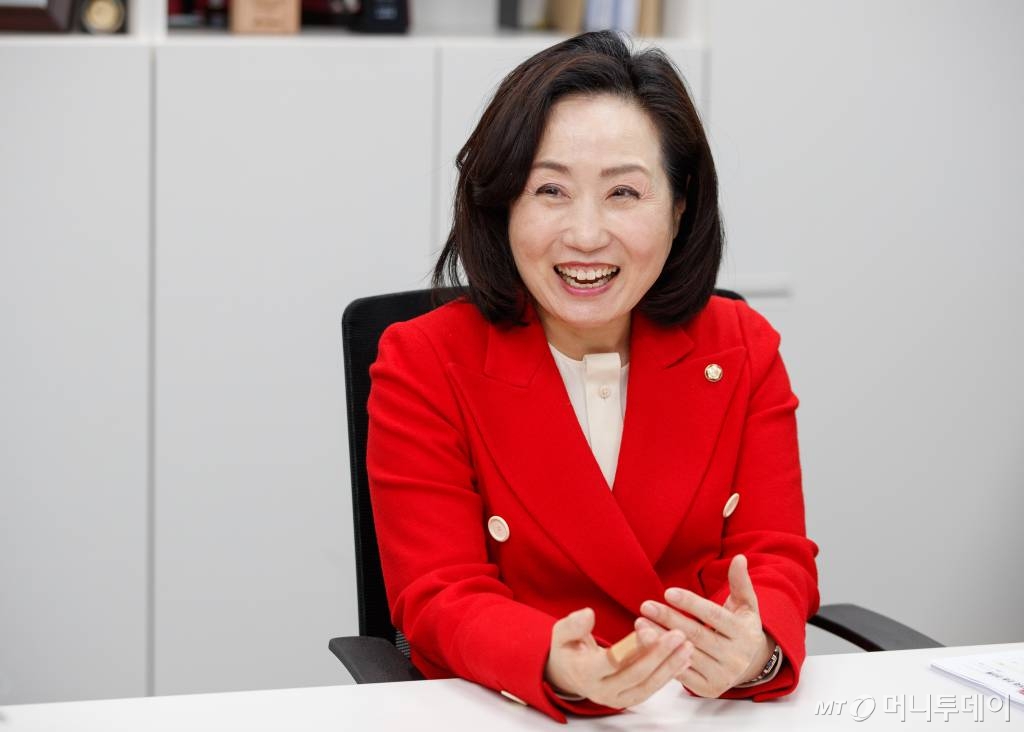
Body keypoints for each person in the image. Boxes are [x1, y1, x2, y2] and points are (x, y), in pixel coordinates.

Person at [366, 30, 819, 723]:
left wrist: (754, 652)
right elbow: (439, 594)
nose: (584, 235)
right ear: (503, 204)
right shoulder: (423, 361)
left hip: (701, 712)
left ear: (680, 207)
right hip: (514, 709)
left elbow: (776, 558)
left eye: (624, 193)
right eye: (550, 189)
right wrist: (556, 663)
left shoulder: (743, 348)